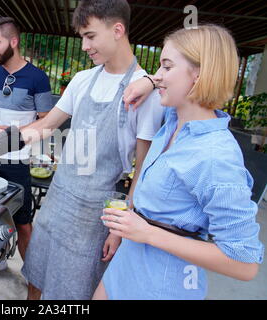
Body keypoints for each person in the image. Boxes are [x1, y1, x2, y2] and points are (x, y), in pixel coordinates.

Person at [0, 0, 164, 299]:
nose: (84, 45)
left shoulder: (143, 92)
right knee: (36, 273)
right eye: (82, 37)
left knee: (73, 291)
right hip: (59, 196)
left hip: (95, 213)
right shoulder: (83, 80)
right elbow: (44, 127)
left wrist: (120, 227)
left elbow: (143, 167)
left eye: (90, 35)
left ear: (117, 30)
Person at [95, 24, 264, 300]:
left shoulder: (216, 155)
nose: (158, 75)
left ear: (198, 73)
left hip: (162, 289)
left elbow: (244, 264)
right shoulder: (172, 123)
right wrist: (149, 82)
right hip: (124, 272)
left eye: (166, 67)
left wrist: (147, 234)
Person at [0, 17, 54, 261]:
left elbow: (48, 123)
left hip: (17, 161)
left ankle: (31, 277)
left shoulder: (37, 78)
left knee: (23, 222)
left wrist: (18, 132)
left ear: (14, 41)